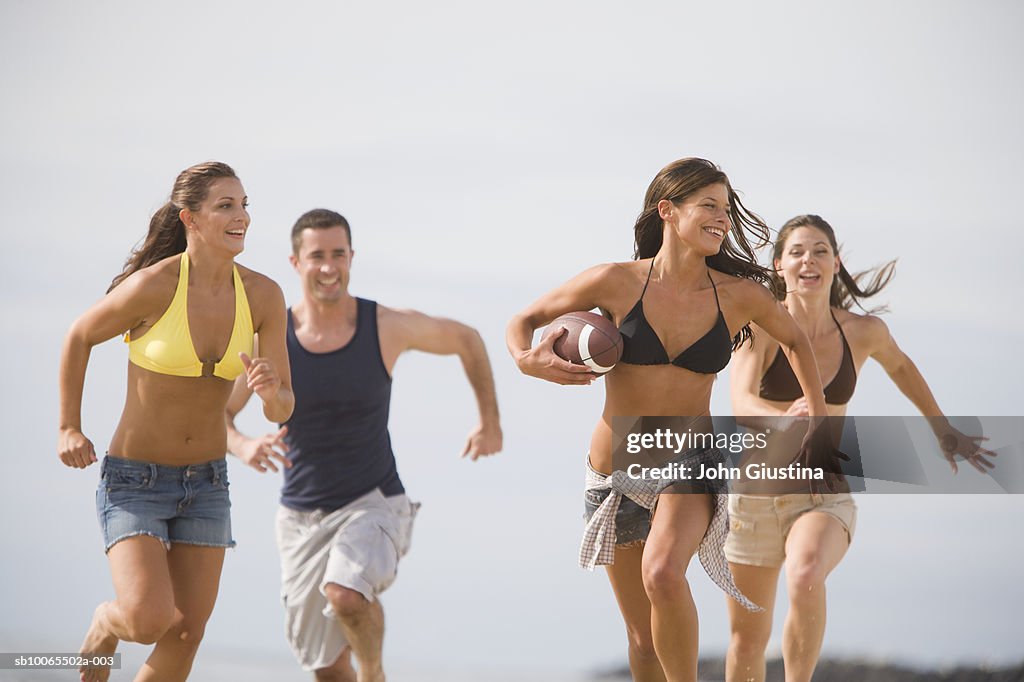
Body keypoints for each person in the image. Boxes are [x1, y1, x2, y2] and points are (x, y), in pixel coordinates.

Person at [506, 159, 833, 682]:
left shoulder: (739, 295)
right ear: (668, 211)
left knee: (663, 573)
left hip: (692, 461)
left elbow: (794, 339)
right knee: (640, 641)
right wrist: (528, 360)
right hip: (615, 469)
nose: (722, 219)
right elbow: (523, 321)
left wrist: (815, 409)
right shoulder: (614, 281)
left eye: (725, 210)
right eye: (708, 206)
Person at [225, 208, 503, 682]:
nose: (329, 266)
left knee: (346, 593)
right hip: (300, 518)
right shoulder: (271, 339)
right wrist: (243, 445)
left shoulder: (385, 326)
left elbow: (468, 339)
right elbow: (221, 414)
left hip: (374, 502)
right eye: (317, 256)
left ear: (352, 257)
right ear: (296, 262)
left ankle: (373, 673)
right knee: (328, 669)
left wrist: (489, 422)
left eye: (338, 254)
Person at [725, 213, 995, 682]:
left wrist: (943, 430)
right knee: (748, 640)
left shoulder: (862, 331)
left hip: (822, 489)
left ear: (835, 262)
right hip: (754, 496)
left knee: (807, 574)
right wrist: (781, 419)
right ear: (779, 266)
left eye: (820, 251)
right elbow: (741, 399)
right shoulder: (763, 328)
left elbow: (903, 370)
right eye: (797, 252)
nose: (809, 259)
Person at [58, 161, 293, 682]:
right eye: (226, 206)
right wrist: (68, 427)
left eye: (245, 204)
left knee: (186, 634)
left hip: (207, 483)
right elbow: (79, 336)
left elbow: (283, 409)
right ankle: (104, 623)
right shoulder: (154, 286)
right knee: (146, 620)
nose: (243, 217)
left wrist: (273, 393)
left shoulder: (264, 295)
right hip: (135, 480)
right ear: (190, 218)